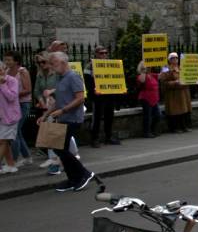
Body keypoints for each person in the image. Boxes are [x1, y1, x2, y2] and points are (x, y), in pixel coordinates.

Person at [37, 52, 95, 192]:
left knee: (60, 148)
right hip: (63, 118)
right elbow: (57, 101)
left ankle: (84, 174)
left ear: (63, 62)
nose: (51, 67)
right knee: (58, 148)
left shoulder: (73, 77)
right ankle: (73, 178)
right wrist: (45, 115)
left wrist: (63, 111)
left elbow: (80, 98)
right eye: (51, 63)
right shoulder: (60, 78)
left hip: (73, 118)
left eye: (54, 63)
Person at [87, 45, 121, 147]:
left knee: (109, 117)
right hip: (97, 97)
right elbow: (87, 81)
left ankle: (108, 137)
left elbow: (116, 78)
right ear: (96, 54)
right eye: (102, 53)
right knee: (97, 118)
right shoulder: (90, 66)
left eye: (106, 53)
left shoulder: (111, 64)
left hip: (109, 95)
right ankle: (94, 139)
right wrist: (93, 90)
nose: (104, 55)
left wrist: (120, 89)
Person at [5, 51, 33, 166]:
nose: (6, 62)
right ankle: (27, 157)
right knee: (18, 132)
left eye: (9, 60)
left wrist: (12, 94)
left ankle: (14, 160)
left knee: (15, 132)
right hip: (11, 105)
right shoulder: (6, 71)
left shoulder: (22, 71)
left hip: (23, 104)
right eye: (5, 60)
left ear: (16, 61)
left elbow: (28, 89)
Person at [159, 52, 192, 132]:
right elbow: (163, 81)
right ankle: (175, 128)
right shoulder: (166, 68)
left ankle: (184, 126)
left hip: (183, 93)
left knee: (184, 110)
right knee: (175, 111)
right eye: (173, 58)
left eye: (176, 58)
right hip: (173, 94)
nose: (175, 60)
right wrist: (174, 82)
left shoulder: (181, 67)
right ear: (169, 60)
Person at [0, 63, 21, 174]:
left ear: (5, 69)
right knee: (4, 141)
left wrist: (3, 85)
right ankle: (11, 164)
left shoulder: (12, 81)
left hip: (10, 116)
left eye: (1, 70)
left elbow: (12, 97)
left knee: (3, 140)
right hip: (1, 116)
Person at [136, 61, 161, 137]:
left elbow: (162, 76)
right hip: (145, 98)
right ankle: (146, 132)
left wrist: (164, 66)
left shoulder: (152, 75)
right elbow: (142, 81)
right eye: (148, 66)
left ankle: (152, 130)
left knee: (158, 115)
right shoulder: (141, 76)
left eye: (149, 66)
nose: (149, 67)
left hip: (154, 98)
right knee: (147, 116)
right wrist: (143, 70)